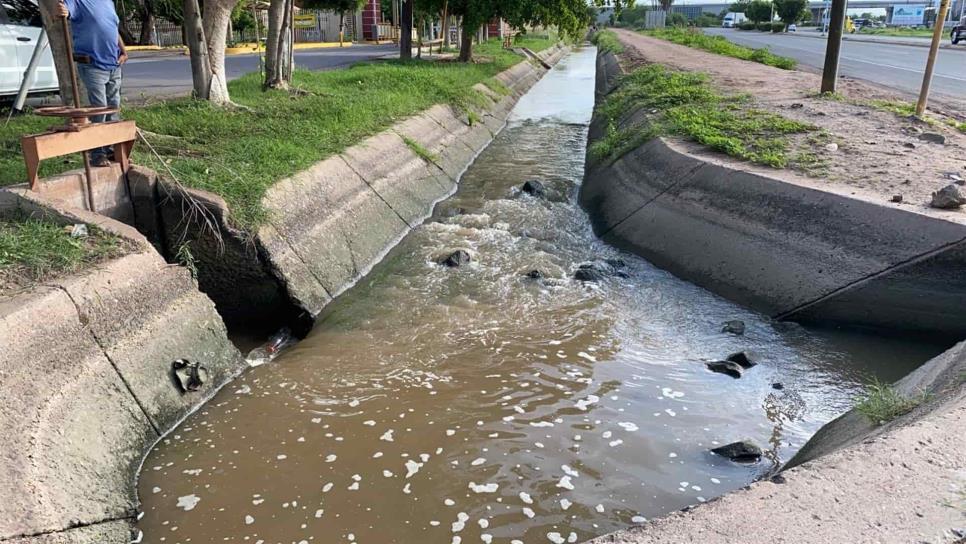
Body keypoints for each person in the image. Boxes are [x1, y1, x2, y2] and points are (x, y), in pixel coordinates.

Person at [56, 0, 128, 167]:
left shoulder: (108, 2)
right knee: (99, 107)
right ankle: (97, 153)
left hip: (114, 64)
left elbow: (112, 28)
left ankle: (111, 148)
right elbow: (65, 11)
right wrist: (63, 11)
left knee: (114, 106)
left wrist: (123, 50)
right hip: (93, 65)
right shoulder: (77, 2)